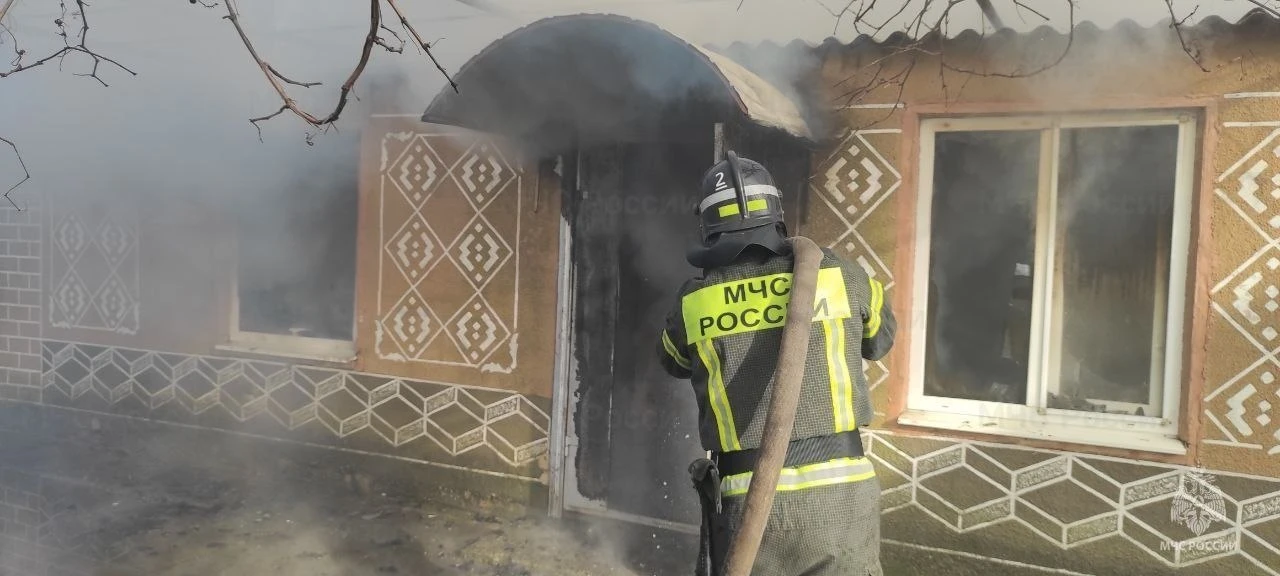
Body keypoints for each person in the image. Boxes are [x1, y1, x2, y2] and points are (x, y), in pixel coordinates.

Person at [656, 151, 896, 576]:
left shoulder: (694, 301)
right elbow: (880, 341)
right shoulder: (842, 275)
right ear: (776, 214)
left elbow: (672, 361)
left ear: (708, 227)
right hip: (843, 498)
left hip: (748, 503)